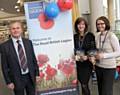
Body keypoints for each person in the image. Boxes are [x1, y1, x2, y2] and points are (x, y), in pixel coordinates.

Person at [0, 21, 40, 95]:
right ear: (10, 31)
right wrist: (8, 82)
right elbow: (4, 66)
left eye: (18, 28)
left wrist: (37, 73)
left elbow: (33, 59)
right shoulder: (4, 46)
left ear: (21, 30)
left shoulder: (28, 42)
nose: (16, 30)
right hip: (16, 79)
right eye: (13, 28)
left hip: (30, 76)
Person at [95, 16, 120, 95]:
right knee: (100, 90)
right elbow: (97, 50)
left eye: (102, 23)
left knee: (106, 91)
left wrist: (104, 56)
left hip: (109, 68)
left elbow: (118, 52)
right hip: (98, 66)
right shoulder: (97, 35)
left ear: (106, 24)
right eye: (98, 24)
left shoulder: (111, 36)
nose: (100, 26)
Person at [74, 17, 96, 95]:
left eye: (83, 24)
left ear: (85, 25)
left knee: (84, 84)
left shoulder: (90, 35)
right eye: (79, 24)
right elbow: (73, 49)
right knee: (82, 84)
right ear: (76, 26)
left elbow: (93, 49)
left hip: (86, 64)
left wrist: (87, 56)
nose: (81, 26)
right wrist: (75, 56)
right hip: (78, 64)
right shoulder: (75, 37)